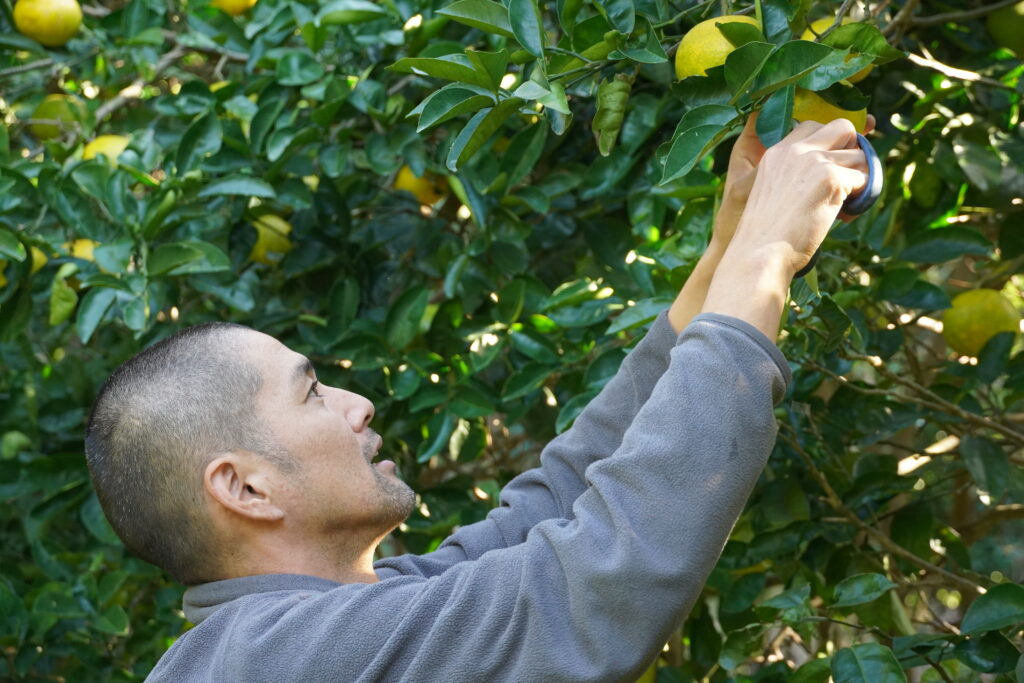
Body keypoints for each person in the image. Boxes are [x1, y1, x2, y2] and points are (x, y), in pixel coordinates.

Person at [84, 114, 871, 682]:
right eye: (313, 392)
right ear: (245, 487)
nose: (358, 405)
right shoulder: (277, 659)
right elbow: (598, 584)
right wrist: (767, 252)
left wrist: (730, 242)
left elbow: (559, 505)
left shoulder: (330, 621)